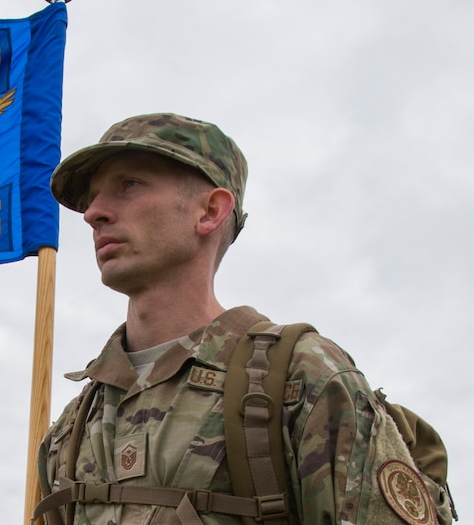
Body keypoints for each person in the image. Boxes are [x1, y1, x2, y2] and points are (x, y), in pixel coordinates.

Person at [34, 113, 452, 525]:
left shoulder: (297, 378)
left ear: (211, 211)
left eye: (129, 185)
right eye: (91, 198)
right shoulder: (71, 428)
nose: (94, 213)